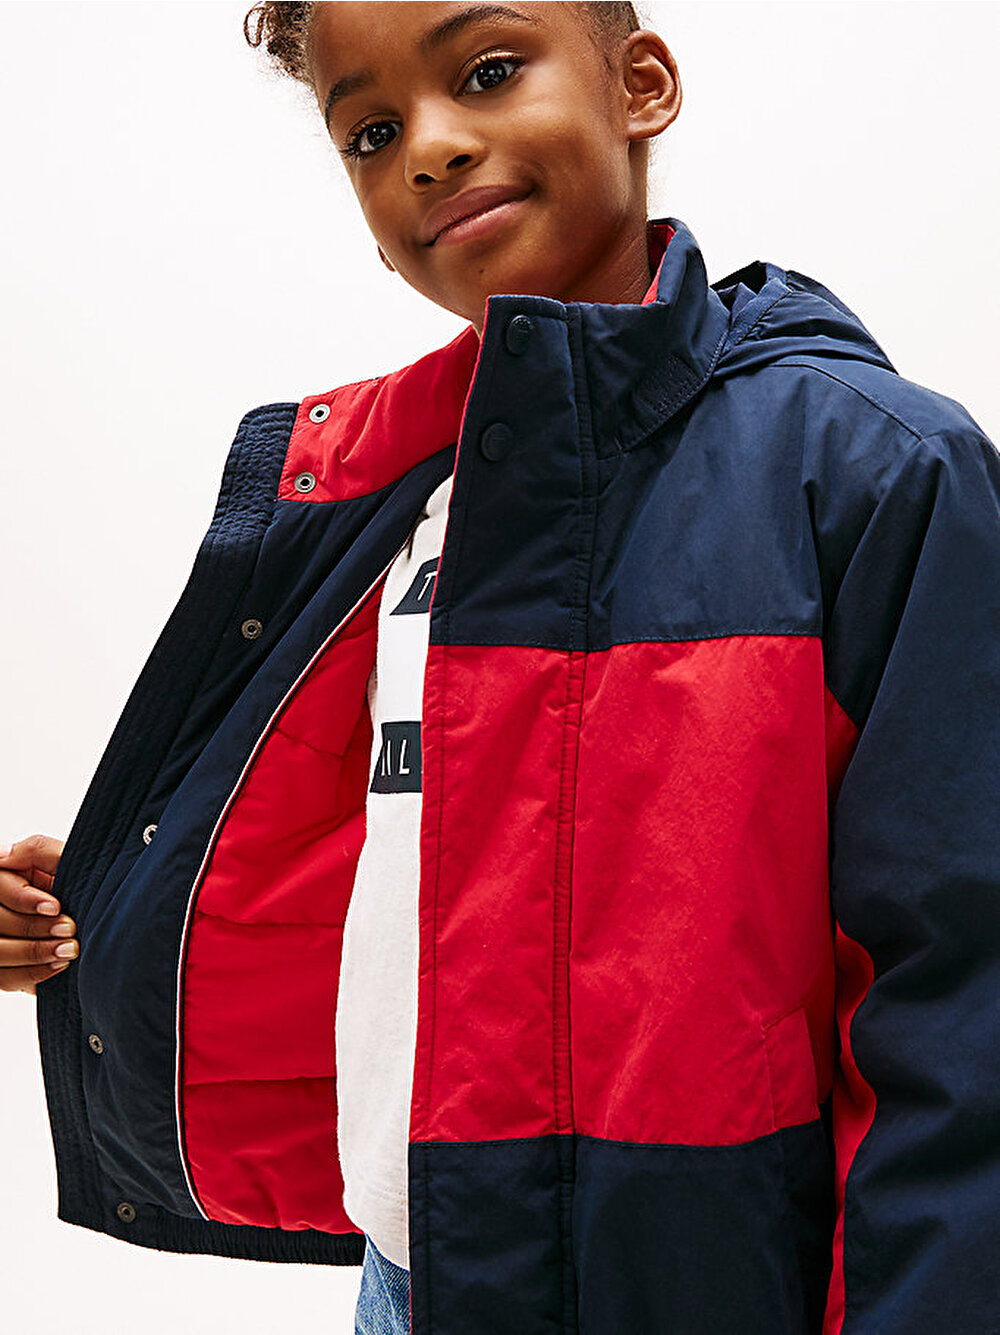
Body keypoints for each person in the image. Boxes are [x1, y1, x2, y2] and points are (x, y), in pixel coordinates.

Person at [2, 3, 999, 1332]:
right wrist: (105, 906)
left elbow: (958, 992)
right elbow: (387, 867)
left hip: (702, 1285)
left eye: (485, 71)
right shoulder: (395, 496)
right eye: (371, 131)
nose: (429, 147)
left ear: (640, 85)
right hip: (414, 1275)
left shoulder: (871, 471)